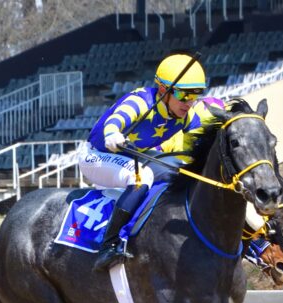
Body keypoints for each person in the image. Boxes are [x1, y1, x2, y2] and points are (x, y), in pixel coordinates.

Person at [80, 52, 211, 271]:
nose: (189, 102)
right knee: (142, 177)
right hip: (95, 157)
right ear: (163, 90)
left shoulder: (187, 116)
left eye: (196, 94)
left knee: (179, 173)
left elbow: (204, 142)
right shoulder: (141, 101)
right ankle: (109, 245)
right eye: (183, 94)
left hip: (127, 159)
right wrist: (112, 133)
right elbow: (115, 120)